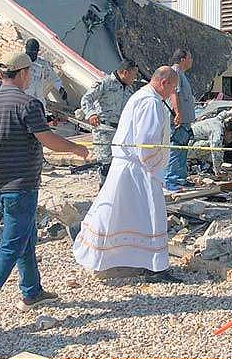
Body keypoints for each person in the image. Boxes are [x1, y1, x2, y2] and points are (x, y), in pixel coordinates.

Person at [0, 51, 89, 338]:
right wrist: (76, 148)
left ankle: (32, 291)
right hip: (21, 186)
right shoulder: (28, 103)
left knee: (25, 236)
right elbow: (48, 140)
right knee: (10, 247)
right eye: (30, 72)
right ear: (23, 73)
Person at [73, 66, 180, 283]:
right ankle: (155, 266)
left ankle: (130, 258)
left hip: (129, 166)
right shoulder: (150, 102)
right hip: (139, 168)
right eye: (173, 88)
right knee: (150, 215)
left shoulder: (140, 96)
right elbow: (146, 141)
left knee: (119, 211)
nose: (172, 93)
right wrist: (156, 166)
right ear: (164, 82)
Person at [80, 59, 138, 187]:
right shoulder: (105, 83)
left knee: (119, 165)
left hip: (121, 132)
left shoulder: (129, 89)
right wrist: (91, 114)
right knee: (105, 166)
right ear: (125, 72)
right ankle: (104, 195)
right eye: (133, 75)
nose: (134, 78)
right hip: (105, 130)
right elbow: (86, 99)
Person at [164, 49, 196, 191]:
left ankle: (180, 178)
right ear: (182, 59)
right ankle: (171, 180)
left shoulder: (181, 74)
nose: (191, 61)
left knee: (182, 150)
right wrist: (177, 113)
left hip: (185, 121)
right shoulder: (175, 73)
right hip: (178, 121)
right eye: (190, 58)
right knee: (176, 150)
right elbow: (173, 93)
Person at [190, 105, 232, 177]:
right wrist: (218, 171)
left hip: (189, 142)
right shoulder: (217, 132)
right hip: (188, 149)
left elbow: (222, 115)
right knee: (216, 147)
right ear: (229, 132)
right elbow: (216, 152)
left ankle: (206, 165)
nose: (231, 138)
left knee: (213, 146)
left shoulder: (217, 120)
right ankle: (208, 167)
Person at [24, 38, 67, 111]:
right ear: (26, 49)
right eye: (31, 52)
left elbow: (53, 77)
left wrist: (60, 88)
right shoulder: (20, 62)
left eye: (35, 52)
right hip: (24, 101)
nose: (33, 54)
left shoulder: (43, 63)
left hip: (39, 101)